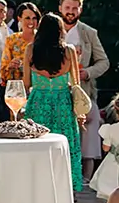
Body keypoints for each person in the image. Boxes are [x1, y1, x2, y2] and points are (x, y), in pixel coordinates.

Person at [22, 13, 85, 191]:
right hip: (62, 103)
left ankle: (37, 185)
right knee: (64, 144)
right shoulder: (69, 51)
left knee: (36, 143)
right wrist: (79, 112)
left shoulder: (30, 50)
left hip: (38, 103)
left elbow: (26, 84)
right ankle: (65, 187)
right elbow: (76, 84)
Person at [60, 0, 110, 182]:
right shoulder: (50, 29)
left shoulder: (89, 33)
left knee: (89, 130)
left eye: (74, 8)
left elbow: (104, 62)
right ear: (60, 9)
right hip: (58, 89)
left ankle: (86, 177)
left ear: (80, 10)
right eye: (67, 8)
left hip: (83, 90)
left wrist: (87, 72)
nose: (70, 11)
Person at [0, 2, 37, 94]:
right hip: (17, 92)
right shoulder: (12, 40)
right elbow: (3, 72)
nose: (31, 22)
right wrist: (10, 66)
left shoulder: (43, 39)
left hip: (38, 90)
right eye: (27, 18)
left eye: (34, 18)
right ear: (19, 18)